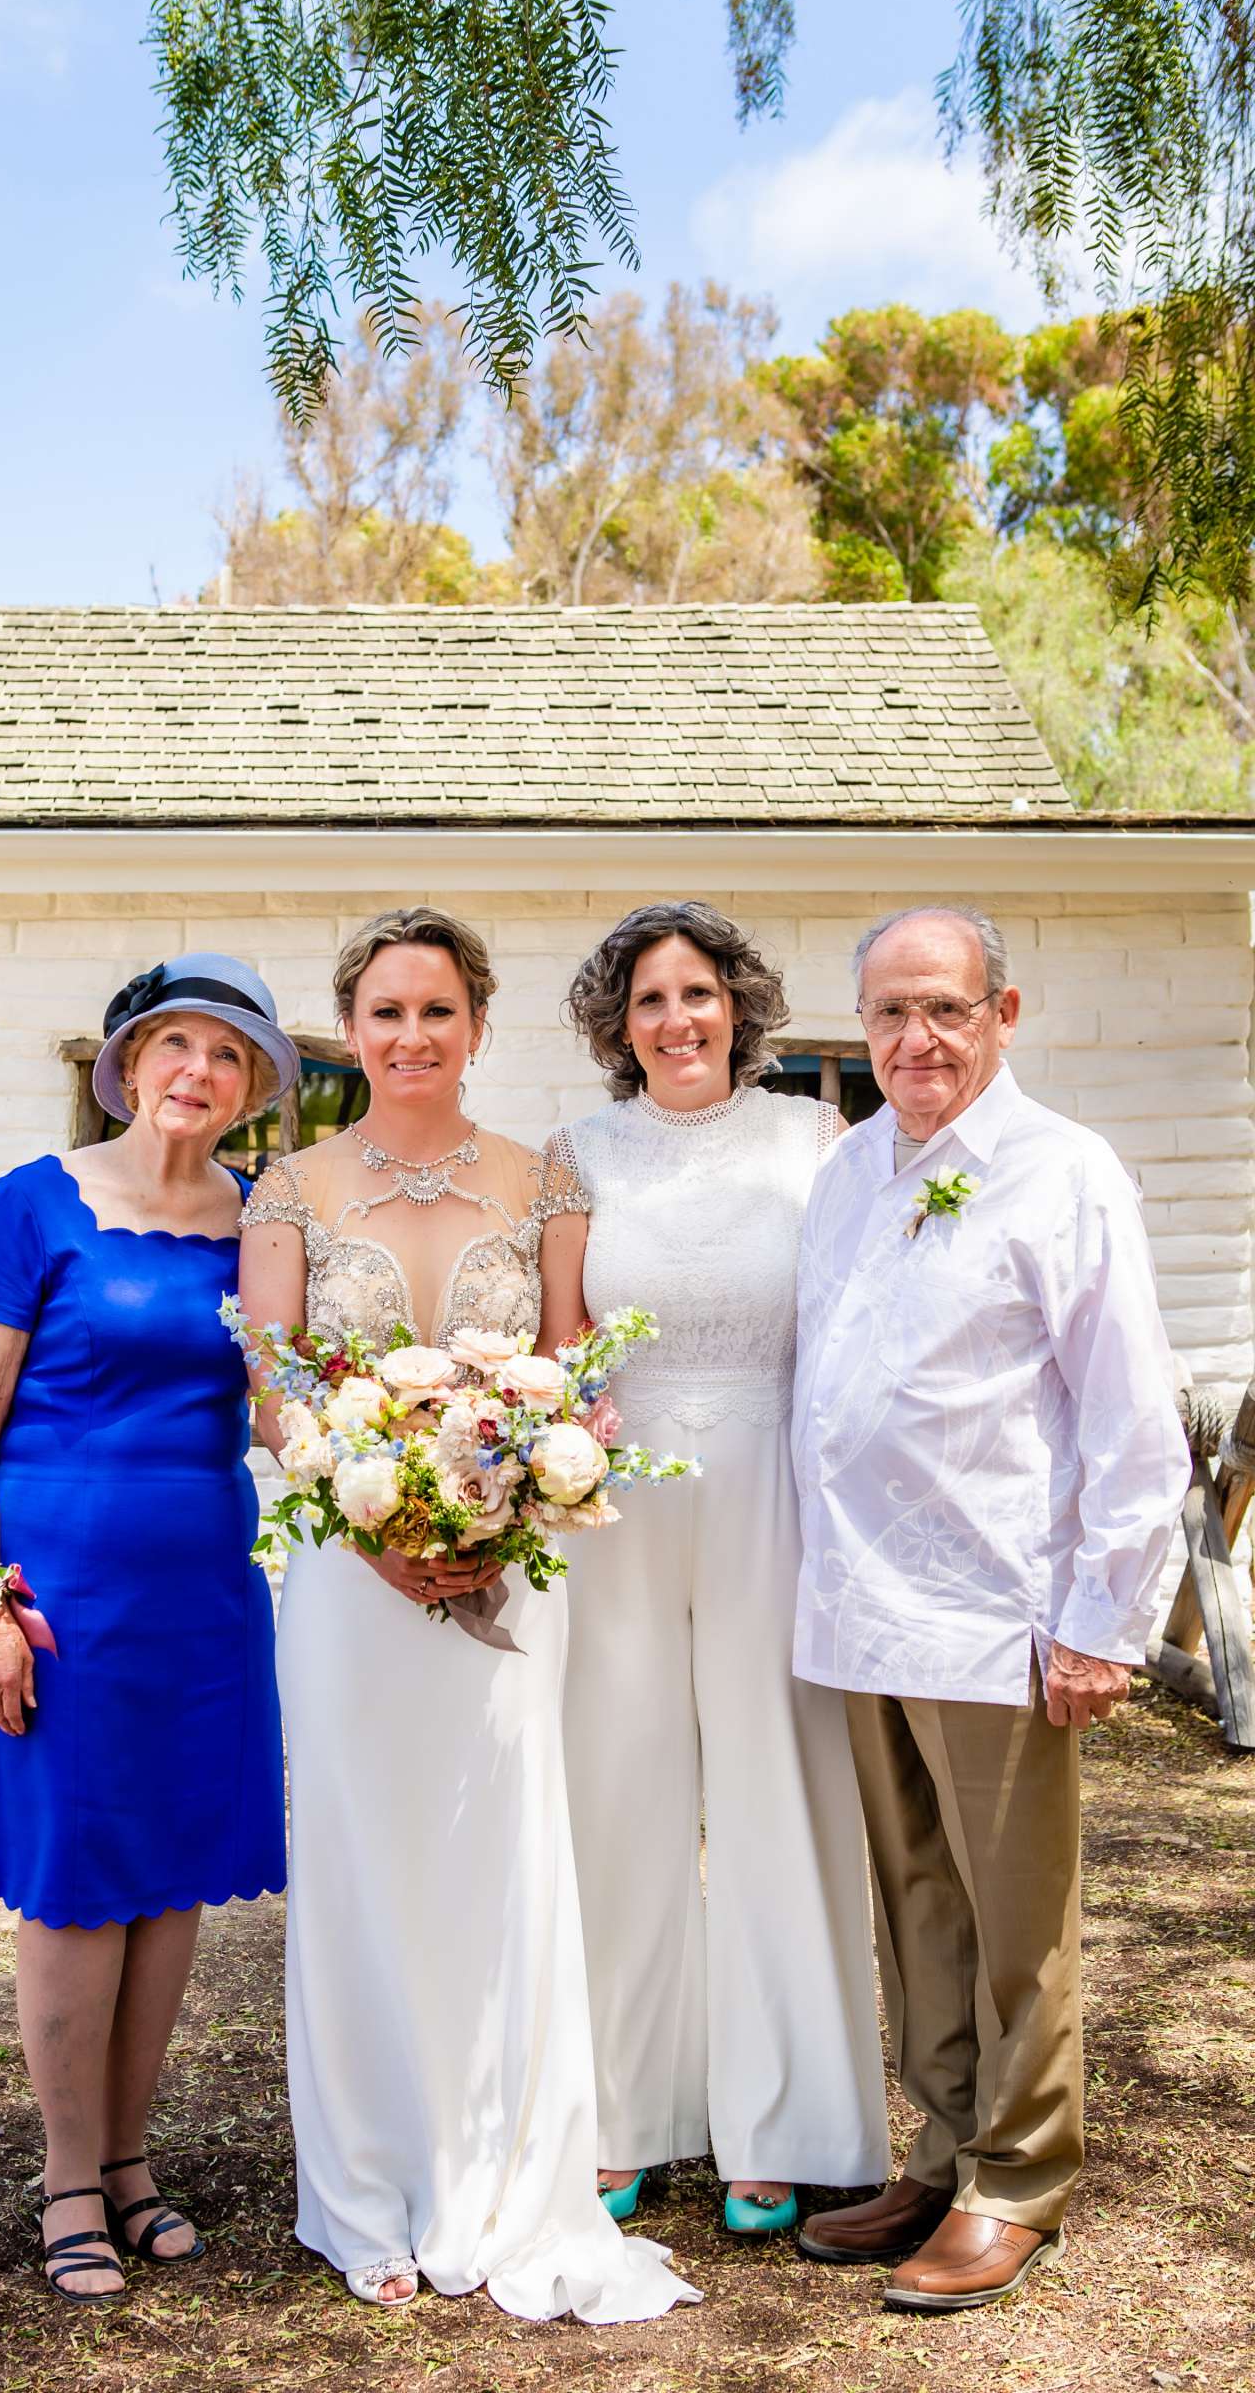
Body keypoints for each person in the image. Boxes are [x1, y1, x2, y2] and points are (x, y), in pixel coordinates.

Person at [238, 906, 699, 2323]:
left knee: (505, 1859)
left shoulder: (543, 1175)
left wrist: (500, 1518)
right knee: (369, 1866)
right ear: (351, 1030)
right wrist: (377, 1531)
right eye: (386, 1012)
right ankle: (365, 2185)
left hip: (511, 1572)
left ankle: (508, 2175)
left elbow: (564, 1370)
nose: (412, 1036)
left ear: (477, 1027)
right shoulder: (289, 1188)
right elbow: (275, 1389)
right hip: (346, 1576)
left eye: (437, 1011)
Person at [792, 903, 1188, 2312]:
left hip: (996, 1610)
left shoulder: (1061, 1172)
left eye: (946, 1009)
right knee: (918, 1903)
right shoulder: (844, 1171)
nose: (917, 1039)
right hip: (857, 1608)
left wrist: (1103, 1618)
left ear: (1001, 1019)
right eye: (892, 1013)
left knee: (1019, 1921)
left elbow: (1133, 1419)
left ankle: (1019, 2180)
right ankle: (945, 2146)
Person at [0, 952, 298, 2304]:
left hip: (202, 1595)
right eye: (175, 1046)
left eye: (227, 1054)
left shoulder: (263, 1218)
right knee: (79, 1885)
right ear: (130, 1061)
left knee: (171, 1883)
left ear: (255, 1083)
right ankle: (68, 2176)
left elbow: (280, 1407)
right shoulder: (34, 1204)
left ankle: (134, 2162)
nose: (196, 1072)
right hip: (62, 1595)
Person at [543, 901, 889, 2240]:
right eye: (649, 1003)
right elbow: (568, 1349)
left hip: (775, 1498)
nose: (677, 1021)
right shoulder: (578, 1156)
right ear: (618, 1029)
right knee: (616, 1797)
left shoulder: (820, 1141)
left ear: (739, 1007)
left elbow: (859, 1334)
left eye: (698, 995)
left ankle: (782, 2125)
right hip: (616, 1510)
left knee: (779, 1798)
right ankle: (623, 2113)